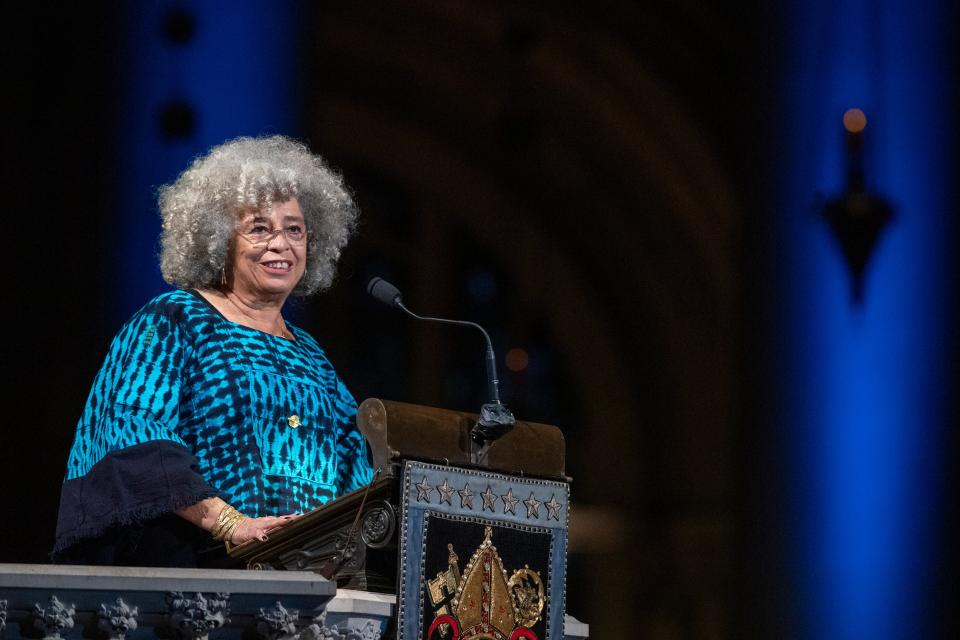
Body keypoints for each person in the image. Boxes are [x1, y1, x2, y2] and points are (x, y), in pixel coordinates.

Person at [53, 135, 374, 567]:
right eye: (259, 228)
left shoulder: (312, 355)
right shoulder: (174, 319)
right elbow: (136, 433)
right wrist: (231, 523)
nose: (281, 243)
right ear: (219, 240)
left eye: (294, 229)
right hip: (198, 580)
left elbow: (357, 463)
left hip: (311, 581)